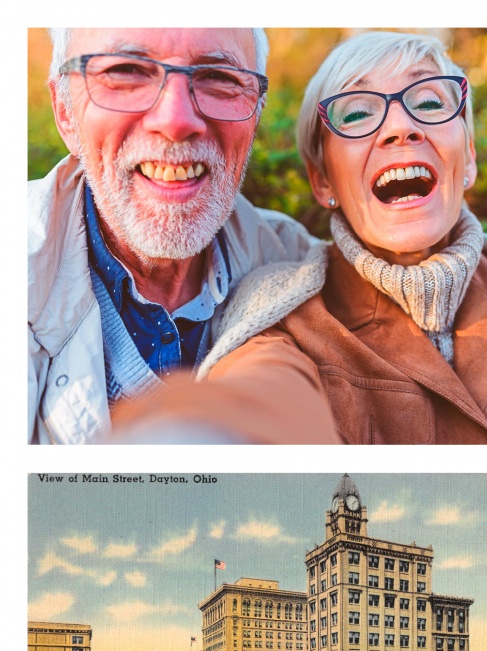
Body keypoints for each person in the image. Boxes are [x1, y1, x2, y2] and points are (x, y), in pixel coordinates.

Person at [192, 30, 487, 444]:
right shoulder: (278, 317)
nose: (401, 127)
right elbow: (257, 402)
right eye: (356, 114)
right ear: (322, 181)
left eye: (429, 103)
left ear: (470, 158)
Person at [28, 27, 333, 444]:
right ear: (65, 110)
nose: (175, 121)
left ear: (256, 112)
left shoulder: (299, 266)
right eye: (126, 72)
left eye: (219, 78)